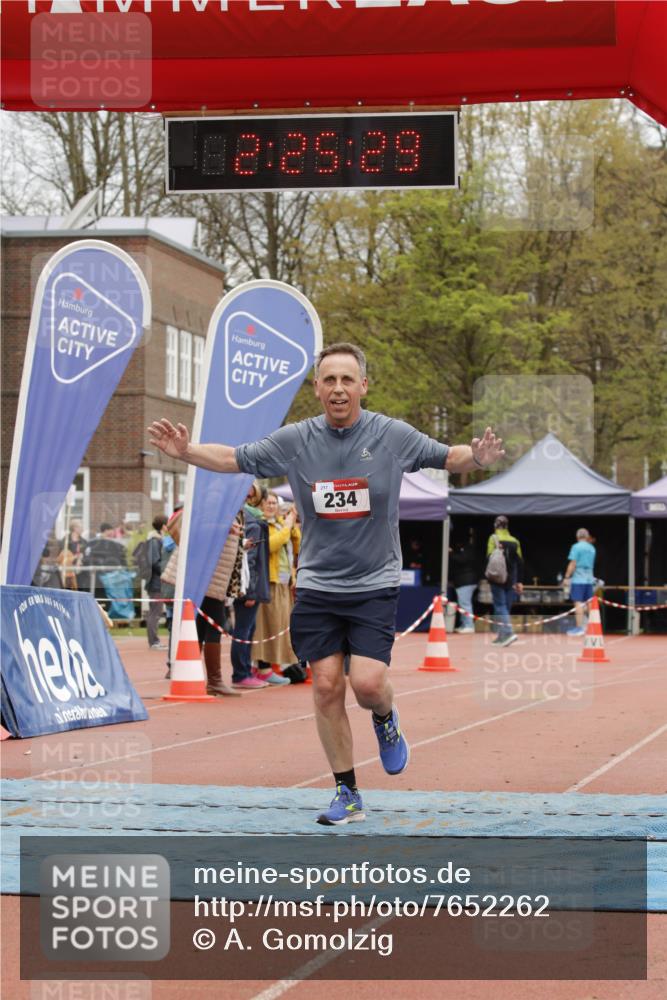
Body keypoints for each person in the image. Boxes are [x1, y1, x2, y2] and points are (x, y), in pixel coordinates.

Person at [148, 341, 504, 824]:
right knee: (326, 687)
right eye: (329, 380)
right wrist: (186, 450)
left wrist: (477, 458)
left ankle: (385, 718)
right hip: (318, 584)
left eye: (347, 379)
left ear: (363, 386)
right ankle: (347, 792)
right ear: (317, 388)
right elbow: (233, 458)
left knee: (368, 684)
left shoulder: (391, 435)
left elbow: (448, 456)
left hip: (374, 582)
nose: (338, 388)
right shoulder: (296, 440)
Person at [161, 506, 243, 696]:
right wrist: (223, 527)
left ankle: (188, 675)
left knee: (200, 624)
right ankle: (213, 680)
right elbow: (194, 525)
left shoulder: (226, 505)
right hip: (208, 575)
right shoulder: (214, 503)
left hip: (211, 574)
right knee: (215, 623)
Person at [253, 492, 301, 686]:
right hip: (269, 581)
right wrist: (287, 527)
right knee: (266, 626)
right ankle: (263, 668)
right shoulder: (261, 525)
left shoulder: (280, 524)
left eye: (275, 503)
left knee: (279, 626)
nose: (272, 506)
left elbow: (297, 545)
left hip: (283, 582)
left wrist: (292, 523)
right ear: (261, 505)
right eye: (268, 502)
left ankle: (271, 666)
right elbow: (271, 545)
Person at [231, 483, 272, 690]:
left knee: (247, 629)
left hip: (245, 583)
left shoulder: (247, 519)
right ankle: (241, 674)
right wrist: (250, 591)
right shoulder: (253, 522)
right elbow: (251, 559)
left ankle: (244, 672)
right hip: (248, 585)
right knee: (243, 630)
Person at [486, 515, 524, 647]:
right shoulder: (515, 541)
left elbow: (489, 557)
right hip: (511, 579)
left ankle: (508, 633)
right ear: (507, 526)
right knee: (505, 607)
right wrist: (519, 581)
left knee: (500, 606)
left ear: (495, 525)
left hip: (497, 577)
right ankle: (502, 636)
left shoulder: (493, 538)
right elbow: (520, 562)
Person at [563, 527, 596, 636]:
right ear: (587, 536)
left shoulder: (576, 547)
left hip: (578, 579)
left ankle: (579, 628)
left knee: (578, 603)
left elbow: (573, 563)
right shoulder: (592, 548)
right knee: (589, 603)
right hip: (589, 579)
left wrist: (567, 577)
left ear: (577, 536)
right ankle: (593, 627)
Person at [145, 514, 169, 650]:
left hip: (158, 581)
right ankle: (154, 641)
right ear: (164, 526)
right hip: (155, 582)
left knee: (156, 612)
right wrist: (166, 572)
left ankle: (154, 641)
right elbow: (154, 562)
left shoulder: (159, 540)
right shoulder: (154, 541)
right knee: (155, 612)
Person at [450, 534, 480, 633]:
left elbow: (462, 560)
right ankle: (464, 625)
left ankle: (469, 625)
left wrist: (451, 553)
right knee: (463, 604)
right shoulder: (466, 549)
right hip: (465, 580)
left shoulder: (467, 549)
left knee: (465, 604)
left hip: (466, 581)